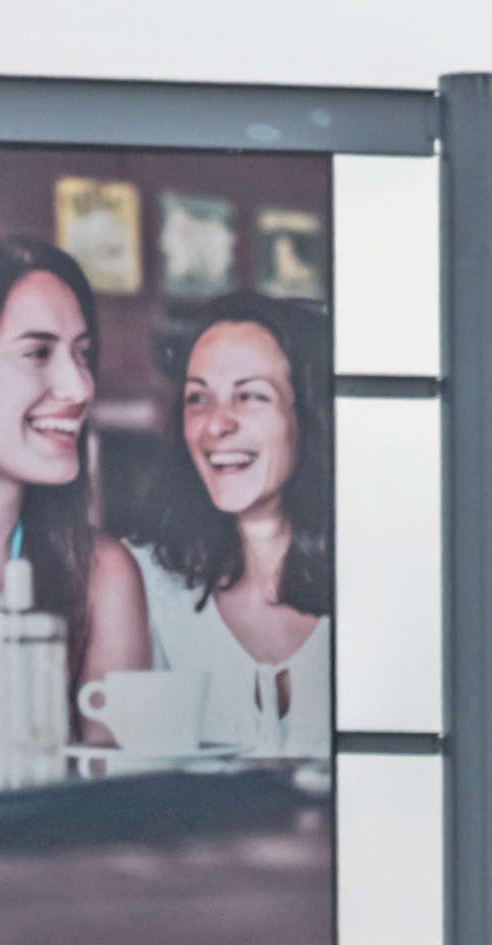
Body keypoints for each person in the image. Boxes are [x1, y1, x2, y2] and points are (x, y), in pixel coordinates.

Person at [0, 231, 150, 725]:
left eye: (82, 355)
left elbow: (115, 785)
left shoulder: (101, 576)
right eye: (38, 353)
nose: (79, 387)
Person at [129, 294, 334, 758]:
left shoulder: (379, 583)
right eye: (198, 399)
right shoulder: (144, 585)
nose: (215, 425)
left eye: (250, 396)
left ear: (310, 417)